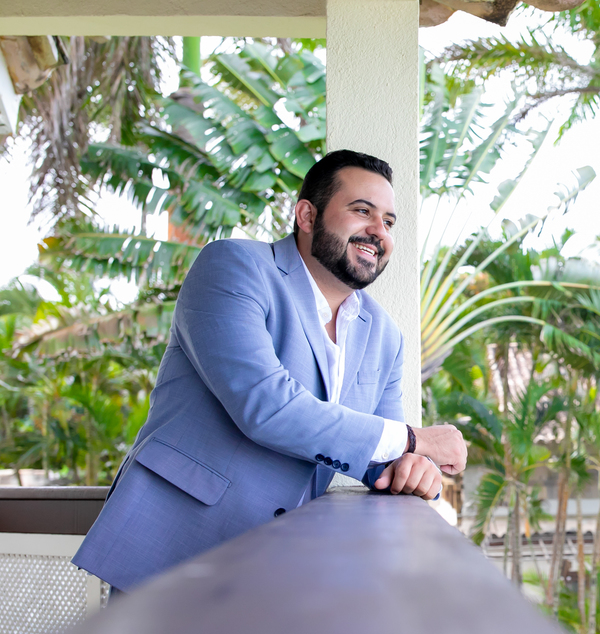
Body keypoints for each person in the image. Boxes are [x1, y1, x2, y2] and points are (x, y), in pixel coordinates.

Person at [73, 150, 466, 592]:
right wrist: (414, 439)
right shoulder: (233, 267)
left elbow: (381, 453)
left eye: (389, 221)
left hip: (281, 567)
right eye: (362, 211)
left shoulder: (385, 335)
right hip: (174, 545)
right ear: (306, 215)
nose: (379, 231)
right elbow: (266, 406)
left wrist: (413, 466)